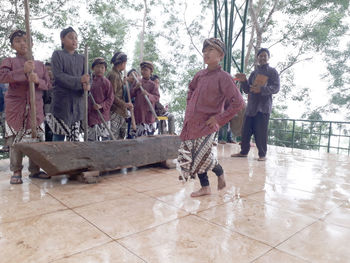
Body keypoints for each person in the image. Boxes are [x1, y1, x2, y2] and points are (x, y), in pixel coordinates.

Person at [178, 38, 244, 197]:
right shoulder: (199, 75)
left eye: (211, 50)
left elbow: (238, 103)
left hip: (207, 125)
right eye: (205, 50)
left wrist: (219, 118)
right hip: (192, 123)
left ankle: (219, 173)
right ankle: (205, 187)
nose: (206, 53)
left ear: (220, 55)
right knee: (195, 156)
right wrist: (189, 106)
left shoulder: (224, 77)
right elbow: (190, 90)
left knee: (201, 155)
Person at [0, 29, 51, 184]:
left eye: (25, 40)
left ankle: (35, 170)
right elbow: (2, 76)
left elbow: (48, 85)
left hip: (36, 108)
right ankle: (16, 171)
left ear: (32, 43)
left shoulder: (40, 65)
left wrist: (37, 81)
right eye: (18, 41)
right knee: (16, 141)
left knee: (36, 140)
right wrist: (23, 71)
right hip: (16, 108)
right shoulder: (9, 61)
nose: (23, 43)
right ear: (12, 45)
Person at [231, 47, 280, 161]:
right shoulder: (254, 73)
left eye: (264, 56)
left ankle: (262, 155)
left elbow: (276, 88)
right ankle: (243, 152)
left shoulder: (272, 72)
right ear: (257, 58)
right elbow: (247, 90)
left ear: (268, 58)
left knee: (261, 132)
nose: (262, 57)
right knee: (246, 131)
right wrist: (243, 81)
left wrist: (262, 90)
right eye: (260, 56)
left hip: (263, 107)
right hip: (251, 107)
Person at [47, 26, 90, 142]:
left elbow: (88, 78)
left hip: (77, 104)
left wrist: (87, 85)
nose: (74, 40)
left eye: (76, 38)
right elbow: (59, 76)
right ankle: (55, 161)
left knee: (75, 140)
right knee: (58, 138)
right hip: (61, 104)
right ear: (62, 39)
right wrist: (79, 80)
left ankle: (73, 160)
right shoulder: (57, 54)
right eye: (71, 38)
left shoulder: (82, 58)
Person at [107, 52, 133, 139]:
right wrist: (124, 104)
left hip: (120, 111)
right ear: (122, 63)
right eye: (125, 63)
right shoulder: (113, 75)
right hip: (114, 110)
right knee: (114, 139)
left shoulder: (118, 74)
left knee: (121, 138)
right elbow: (112, 95)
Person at [130, 61, 160, 136]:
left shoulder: (153, 85)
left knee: (149, 138)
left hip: (149, 115)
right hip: (138, 114)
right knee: (138, 136)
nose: (143, 72)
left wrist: (148, 95)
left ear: (151, 71)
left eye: (146, 70)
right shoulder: (137, 81)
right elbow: (130, 95)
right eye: (142, 70)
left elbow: (156, 97)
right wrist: (136, 88)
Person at [88, 57, 114, 141]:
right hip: (91, 116)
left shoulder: (106, 82)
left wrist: (101, 106)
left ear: (105, 69)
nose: (100, 69)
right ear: (93, 68)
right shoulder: (88, 81)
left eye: (102, 67)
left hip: (103, 116)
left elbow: (110, 98)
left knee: (105, 140)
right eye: (98, 67)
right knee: (91, 140)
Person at [43, 61, 54, 141]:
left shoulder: (58, 82)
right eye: (47, 70)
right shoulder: (42, 82)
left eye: (50, 70)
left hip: (56, 108)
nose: (49, 72)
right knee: (47, 128)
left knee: (54, 129)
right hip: (46, 107)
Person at [126, 68, 138, 139]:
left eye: (135, 75)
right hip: (126, 108)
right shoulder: (125, 85)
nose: (133, 77)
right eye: (131, 75)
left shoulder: (137, 86)